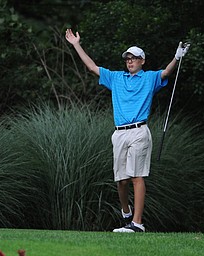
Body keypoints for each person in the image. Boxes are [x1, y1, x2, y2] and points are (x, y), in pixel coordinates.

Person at [65, 28, 189, 232]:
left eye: (134, 58)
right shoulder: (116, 78)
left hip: (139, 131)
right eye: (127, 59)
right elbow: (91, 67)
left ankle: (137, 224)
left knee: (136, 177)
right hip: (119, 133)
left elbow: (166, 72)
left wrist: (176, 57)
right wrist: (76, 44)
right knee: (121, 180)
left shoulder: (149, 78)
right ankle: (126, 211)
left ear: (142, 61)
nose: (130, 61)